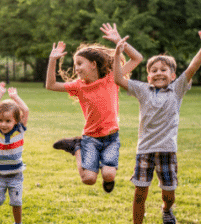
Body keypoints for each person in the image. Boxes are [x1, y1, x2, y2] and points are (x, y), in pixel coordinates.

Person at [113, 25, 201, 224]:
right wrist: (119, 48)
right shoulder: (142, 90)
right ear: (148, 76)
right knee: (139, 193)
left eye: (164, 70)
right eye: (154, 70)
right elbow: (118, 77)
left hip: (167, 151)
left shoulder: (177, 89)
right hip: (145, 151)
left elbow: (192, 67)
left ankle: (167, 209)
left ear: (172, 75)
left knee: (169, 193)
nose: (159, 73)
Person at [45, 23, 142, 193]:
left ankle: (108, 179)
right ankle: (76, 147)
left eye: (80, 63)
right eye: (75, 65)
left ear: (93, 64)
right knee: (89, 179)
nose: (76, 68)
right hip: (90, 138)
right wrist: (53, 60)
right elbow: (51, 85)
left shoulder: (113, 78)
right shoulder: (78, 86)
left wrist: (119, 41)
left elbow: (137, 59)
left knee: (109, 175)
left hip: (111, 137)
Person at [0, 82, 30, 224]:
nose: (3, 124)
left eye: (8, 121)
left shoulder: (19, 130)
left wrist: (15, 97)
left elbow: (25, 111)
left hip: (15, 175)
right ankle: (0, 191)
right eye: (1, 120)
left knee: (16, 202)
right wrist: (0, 94)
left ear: (15, 122)